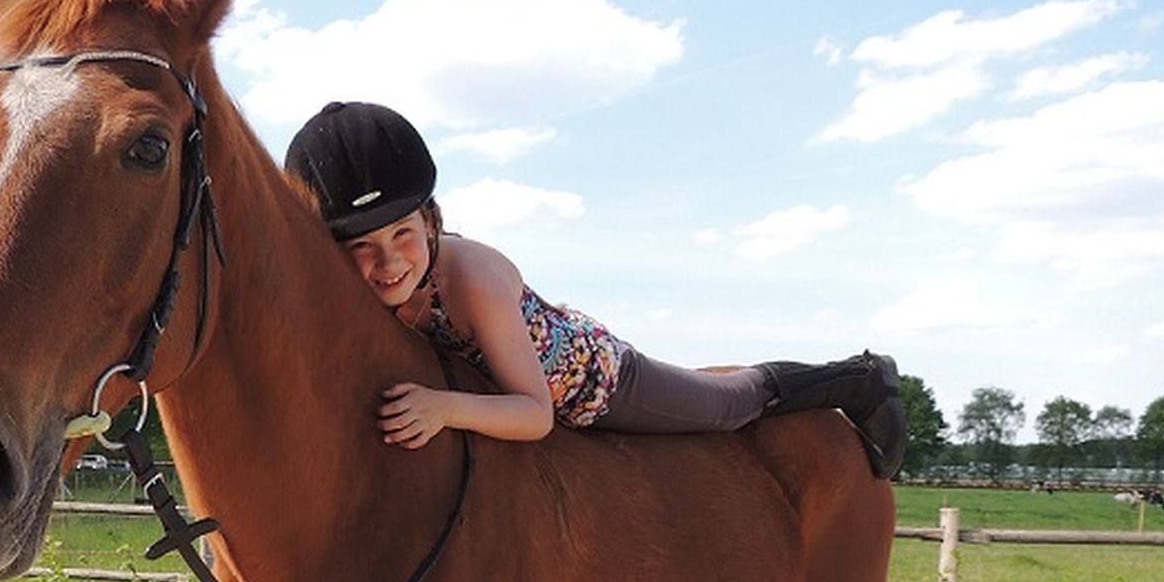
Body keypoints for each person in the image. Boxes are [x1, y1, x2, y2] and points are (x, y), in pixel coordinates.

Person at [284, 101, 907, 478]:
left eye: (402, 234)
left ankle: (859, 378)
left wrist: (442, 408)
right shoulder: (363, 293)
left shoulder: (470, 279)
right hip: (513, 378)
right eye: (361, 246)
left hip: (593, 383)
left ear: (431, 221)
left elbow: (533, 414)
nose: (388, 262)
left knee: (724, 406)